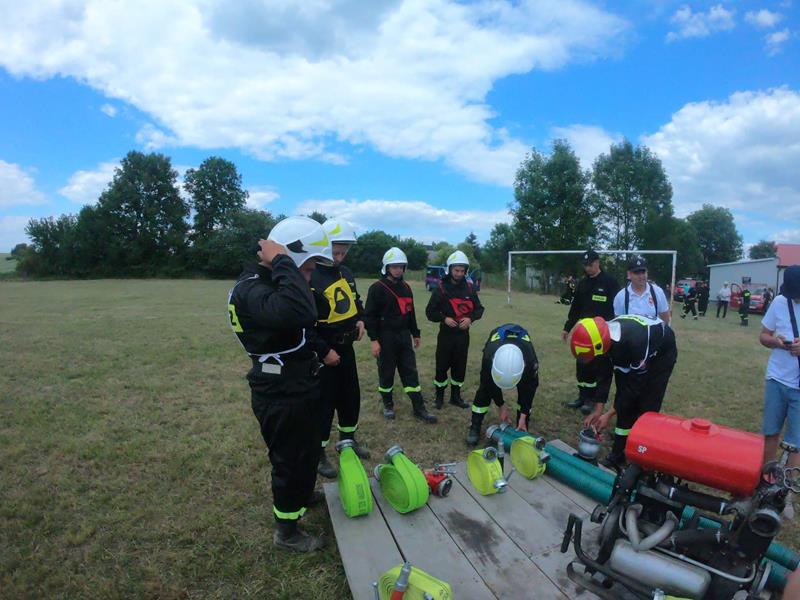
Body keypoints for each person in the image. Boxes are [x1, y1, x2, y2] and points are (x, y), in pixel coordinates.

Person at [227, 216, 333, 552]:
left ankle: (302, 496)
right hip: (277, 390)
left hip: (298, 382)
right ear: (287, 257)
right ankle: (286, 532)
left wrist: (290, 272)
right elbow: (302, 313)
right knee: (289, 460)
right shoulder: (251, 289)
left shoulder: (274, 284)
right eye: (307, 269)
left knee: (307, 450)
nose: (309, 277)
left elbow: (317, 308)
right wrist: (285, 262)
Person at [570, 314, 678, 471]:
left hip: (661, 355)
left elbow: (634, 387)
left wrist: (609, 414)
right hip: (630, 351)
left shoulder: (635, 342)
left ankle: (641, 455)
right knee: (624, 406)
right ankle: (618, 454)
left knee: (647, 404)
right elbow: (604, 374)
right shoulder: (601, 338)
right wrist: (599, 409)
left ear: (600, 346)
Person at [310, 218, 368, 480]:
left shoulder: (346, 273)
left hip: (346, 350)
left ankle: (348, 441)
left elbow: (356, 302)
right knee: (324, 403)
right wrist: (324, 352)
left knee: (350, 397)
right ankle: (318, 452)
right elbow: (304, 323)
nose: (339, 257)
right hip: (323, 353)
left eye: (344, 252)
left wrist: (361, 319)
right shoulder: (311, 275)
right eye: (335, 252)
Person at [364, 247, 437, 423]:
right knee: (386, 373)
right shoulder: (377, 288)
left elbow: (410, 313)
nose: (398, 270)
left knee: (410, 372)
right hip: (385, 337)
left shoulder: (406, 288)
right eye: (394, 266)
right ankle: (388, 405)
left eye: (401, 266)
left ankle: (419, 408)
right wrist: (374, 340)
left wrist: (415, 333)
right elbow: (369, 317)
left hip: (404, 337)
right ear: (387, 267)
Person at [563, 249, 620, 415]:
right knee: (582, 365)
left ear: (597, 263)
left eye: (590, 265)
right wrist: (567, 328)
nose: (587, 268)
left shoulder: (610, 283)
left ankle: (593, 400)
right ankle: (582, 397)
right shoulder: (583, 283)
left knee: (599, 368)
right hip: (583, 335)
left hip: (602, 335)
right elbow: (575, 308)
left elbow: (618, 309)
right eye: (585, 265)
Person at [425, 250, 484, 409]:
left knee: (460, 367)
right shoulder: (441, 288)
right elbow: (430, 312)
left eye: (462, 271)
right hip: (446, 335)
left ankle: (456, 397)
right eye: (456, 270)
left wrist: (470, 318)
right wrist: (444, 318)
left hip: (463, 336)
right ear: (450, 269)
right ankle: (439, 397)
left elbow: (479, 309)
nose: (459, 274)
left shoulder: (470, 289)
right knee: (442, 366)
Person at [466, 323, 539, 446]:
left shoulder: (530, 361)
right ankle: (475, 426)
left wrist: (524, 415)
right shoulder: (489, 356)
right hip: (497, 341)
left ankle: (522, 425)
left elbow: (530, 389)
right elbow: (488, 382)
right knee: (484, 390)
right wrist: (501, 405)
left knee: (525, 390)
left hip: (523, 355)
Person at [759, 266, 800, 480]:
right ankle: (766, 479)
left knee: (796, 442)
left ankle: (786, 489)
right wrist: (776, 341)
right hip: (776, 378)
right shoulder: (779, 302)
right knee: (770, 431)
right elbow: (763, 336)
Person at [613, 255, 671, 324]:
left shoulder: (658, 292)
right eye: (636, 273)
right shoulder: (620, 296)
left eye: (643, 272)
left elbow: (665, 319)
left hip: (654, 331)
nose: (641, 276)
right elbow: (619, 323)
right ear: (629, 274)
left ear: (647, 273)